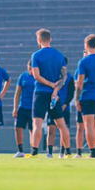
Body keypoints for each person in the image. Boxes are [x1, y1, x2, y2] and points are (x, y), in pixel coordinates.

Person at [29, 29, 70, 158]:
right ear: (50, 39)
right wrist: (56, 88)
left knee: (37, 123)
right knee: (61, 124)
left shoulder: (36, 55)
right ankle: (68, 151)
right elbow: (64, 77)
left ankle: (34, 151)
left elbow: (36, 76)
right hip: (54, 94)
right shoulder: (59, 55)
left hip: (41, 93)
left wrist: (51, 85)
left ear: (39, 40)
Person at [46, 57, 74, 158]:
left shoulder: (70, 78)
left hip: (64, 107)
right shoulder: (52, 77)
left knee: (63, 129)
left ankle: (64, 151)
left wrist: (65, 104)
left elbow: (71, 93)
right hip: (53, 105)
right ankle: (49, 152)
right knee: (51, 129)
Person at [12, 61, 34, 158]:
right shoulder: (23, 76)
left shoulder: (38, 77)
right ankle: (20, 150)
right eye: (29, 67)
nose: (30, 69)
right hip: (23, 107)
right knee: (18, 128)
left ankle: (33, 149)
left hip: (34, 108)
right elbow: (17, 93)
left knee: (32, 129)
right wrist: (15, 108)